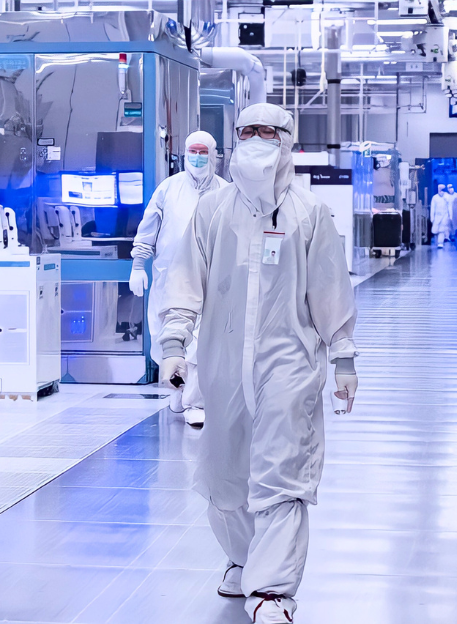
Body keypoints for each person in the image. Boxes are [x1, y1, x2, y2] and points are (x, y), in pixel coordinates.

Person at [156, 103, 358, 624]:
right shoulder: (212, 211)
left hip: (288, 363)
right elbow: (186, 281)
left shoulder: (309, 213)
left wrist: (343, 359)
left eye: (268, 132)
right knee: (224, 475)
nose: (256, 139)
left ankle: (271, 591)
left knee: (282, 471)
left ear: (288, 141)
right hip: (222, 365)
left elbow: (330, 291)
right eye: (246, 131)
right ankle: (244, 559)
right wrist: (174, 344)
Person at [129, 130, 227, 427]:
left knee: (200, 340)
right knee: (166, 337)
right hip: (167, 278)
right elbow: (148, 228)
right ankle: (178, 389)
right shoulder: (168, 189)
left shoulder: (226, 192)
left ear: (214, 155)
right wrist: (138, 264)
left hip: (207, 280)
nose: (197, 157)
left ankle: (195, 401)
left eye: (203, 152)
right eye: (192, 152)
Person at [430, 183, 451, 249]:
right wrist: (432, 217)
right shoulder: (435, 198)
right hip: (437, 216)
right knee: (435, 231)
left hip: (444, 216)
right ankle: (437, 242)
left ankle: (440, 243)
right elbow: (432, 208)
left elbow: (449, 207)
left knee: (442, 230)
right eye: (440, 189)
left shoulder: (447, 197)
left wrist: (450, 216)